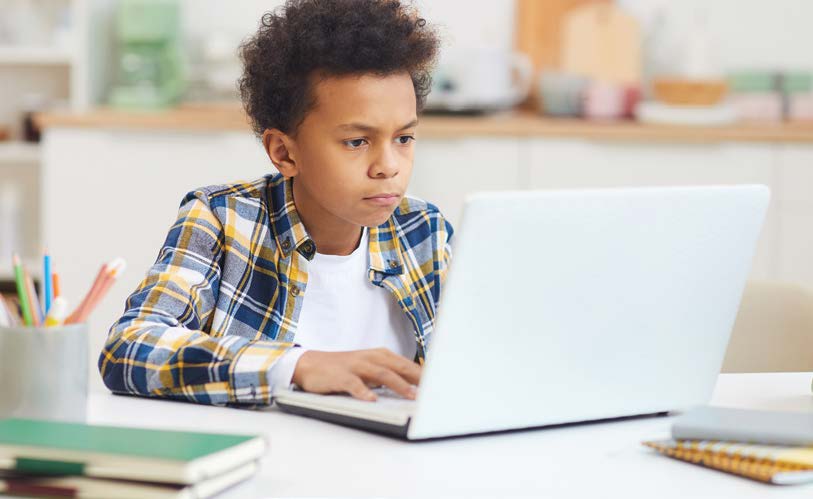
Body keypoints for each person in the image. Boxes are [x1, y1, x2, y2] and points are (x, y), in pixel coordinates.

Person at [98, 0, 452, 406]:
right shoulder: (223, 221)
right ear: (284, 152)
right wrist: (296, 366)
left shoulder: (425, 229)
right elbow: (128, 349)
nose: (388, 167)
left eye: (403, 138)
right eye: (356, 141)